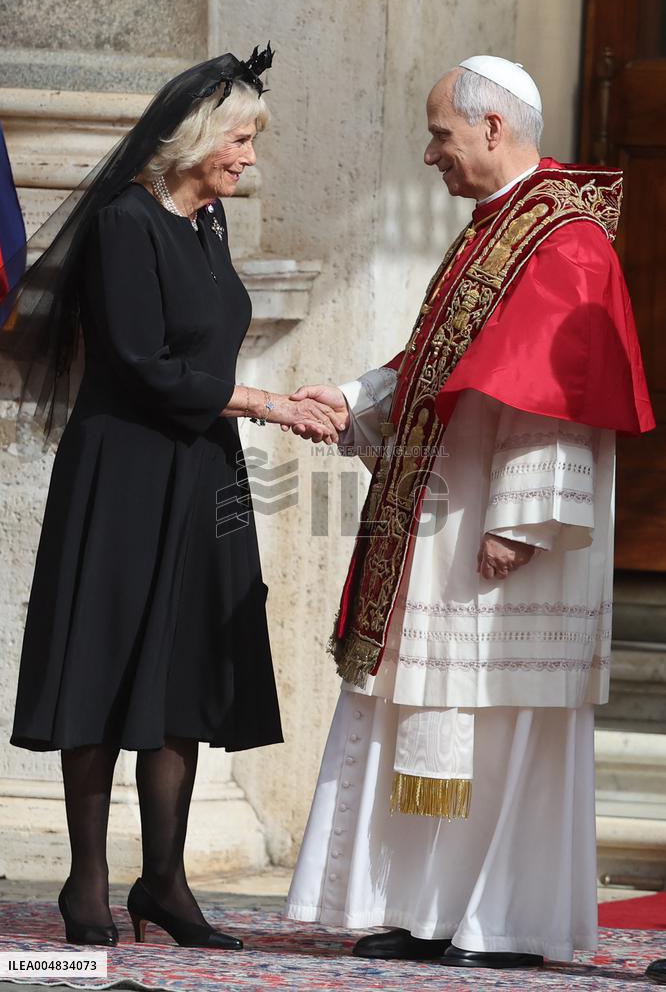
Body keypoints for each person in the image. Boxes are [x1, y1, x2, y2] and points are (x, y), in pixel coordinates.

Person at [284, 56, 654, 968]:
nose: (428, 155)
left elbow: (563, 389)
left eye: (442, 135)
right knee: (440, 720)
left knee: (504, 729)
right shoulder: (494, 228)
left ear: (494, 129)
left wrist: (524, 519)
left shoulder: (565, 239)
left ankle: (504, 923)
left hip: (501, 541)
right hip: (449, 525)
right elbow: (434, 362)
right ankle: (432, 914)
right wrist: (348, 397)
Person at [4, 48, 346, 950]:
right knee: (106, 662)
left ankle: (164, 882)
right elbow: (145, 362)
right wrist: (268, 402)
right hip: (122, 474)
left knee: (182, 668)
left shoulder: (211, 224)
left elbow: (207, 347)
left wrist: (280, 399)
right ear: (194, 137)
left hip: (202, 472)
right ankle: (86, 883)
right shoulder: (125, 222)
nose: (248, 159)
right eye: (240, 139)